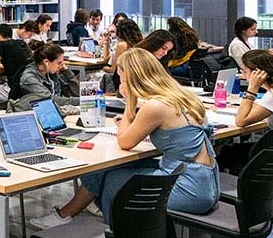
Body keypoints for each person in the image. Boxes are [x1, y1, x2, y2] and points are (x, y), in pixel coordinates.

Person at [30, 49, 220, 229]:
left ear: (133, 78)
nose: (120, 81)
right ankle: (72, 214)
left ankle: (111, 226)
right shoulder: (182, 97)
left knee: (115, 179)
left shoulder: (155, 106)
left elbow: (125, 142)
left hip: (191, 189)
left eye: (122, 76)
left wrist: (130, 101)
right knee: (112, 168)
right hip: (203, 179)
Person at [12, 41, 80, 111]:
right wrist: (80, 101)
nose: (62, 65)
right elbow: (49, 99)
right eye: (59, 63)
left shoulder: (51, 74)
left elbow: (74, 94)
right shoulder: (29, 78)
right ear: (46, 62)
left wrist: (67, 72)